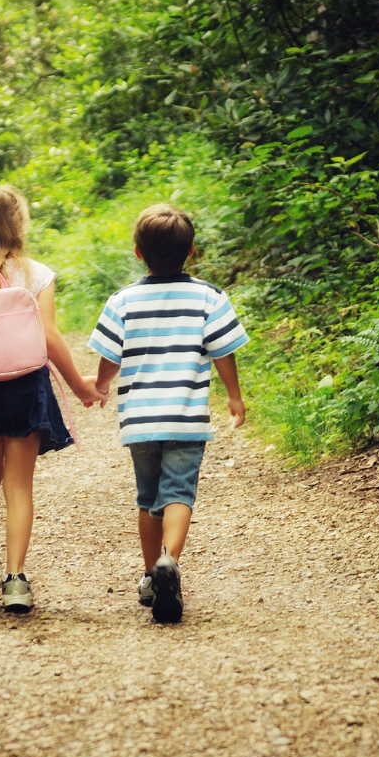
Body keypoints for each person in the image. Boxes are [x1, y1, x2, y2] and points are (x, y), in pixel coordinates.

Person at [0, 185, 100, 613]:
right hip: (28, 387)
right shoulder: (36, 274)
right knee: (19, 485)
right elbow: (49, 337)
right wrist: (80, 385)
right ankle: (14, 581)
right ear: (17, 225)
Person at [87, 203, 249, 622]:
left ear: (138, 252)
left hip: (139, 422)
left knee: (147, 498)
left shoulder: (122, 301)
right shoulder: (210, 297)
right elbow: (224, 352)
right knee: (178, 493)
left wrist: (100, 384)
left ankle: (150, 575)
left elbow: (110, 357)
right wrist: (234, 396)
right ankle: (169, 562)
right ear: (192, 250)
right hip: (186, 419)